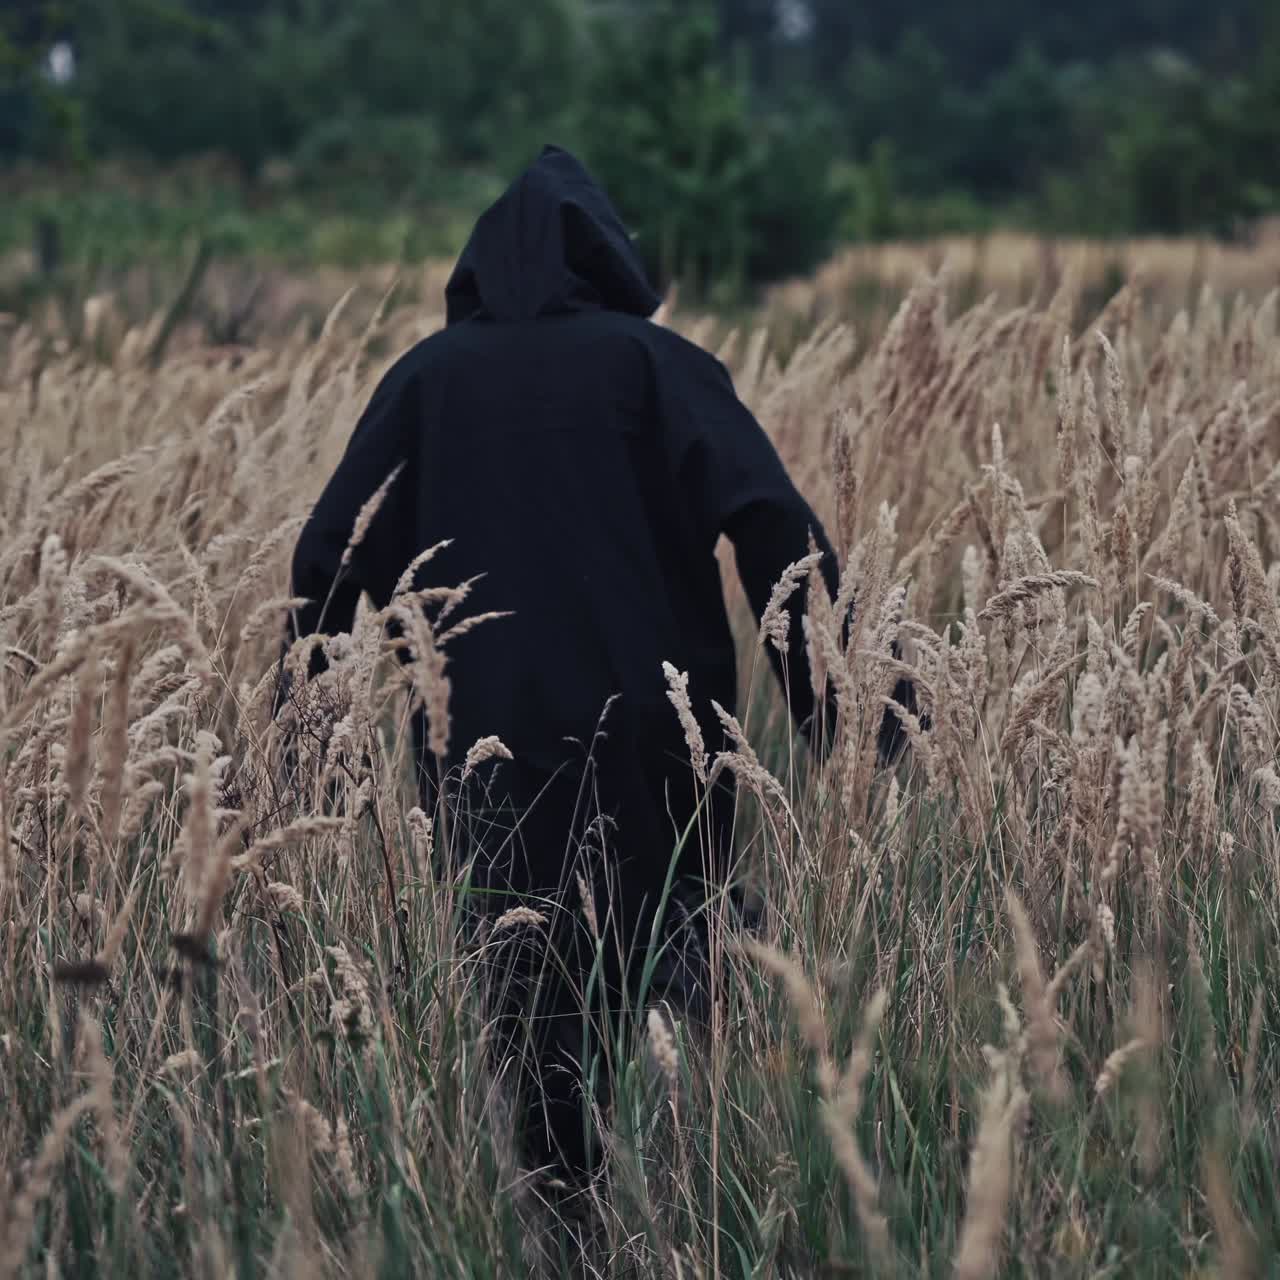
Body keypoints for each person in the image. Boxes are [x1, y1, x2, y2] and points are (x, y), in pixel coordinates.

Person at [284, 145, 902, 1183]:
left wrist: (300, 751)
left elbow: (328, 555)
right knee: (675, 944)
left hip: (480, 746)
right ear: (608, 259)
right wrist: (848, 720)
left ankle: (562, 1215)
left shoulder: (424, 382)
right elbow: (772, 529)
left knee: (522, 998)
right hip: (655, 742)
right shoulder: (656, 367)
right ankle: (697, 1190)